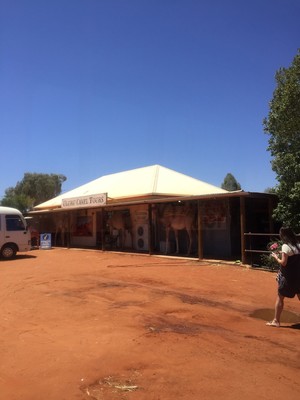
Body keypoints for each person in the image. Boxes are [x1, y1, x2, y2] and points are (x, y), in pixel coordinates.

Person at [266, 227, 300, 327]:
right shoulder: (298, 245)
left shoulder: (285, 246)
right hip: (298, 276)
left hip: (288, 277)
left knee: (280, 297)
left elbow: (283, 263)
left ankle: (276, 321)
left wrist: (276, 258)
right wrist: (283, 254)